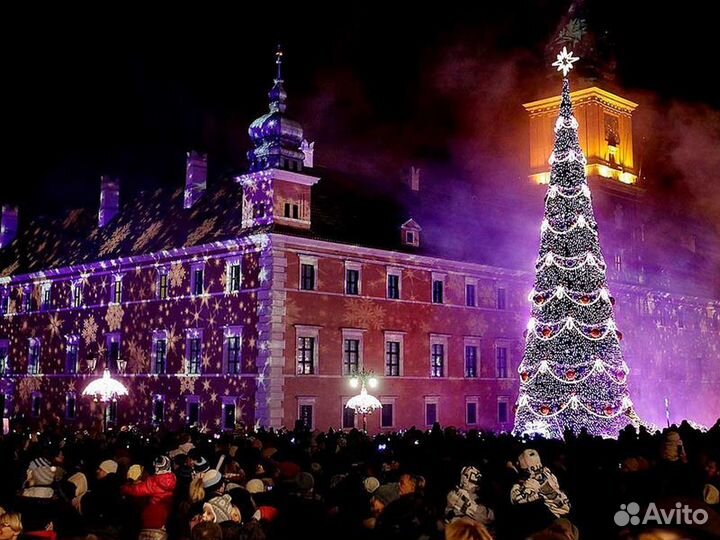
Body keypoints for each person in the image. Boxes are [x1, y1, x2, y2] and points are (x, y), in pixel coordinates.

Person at [122, 455, 177, 539]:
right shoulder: (173, 478)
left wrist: (125, 488)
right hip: (168, 509)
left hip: (154, 511)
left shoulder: (153, 481)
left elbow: (137, 490)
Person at [510, 449, 570, 519]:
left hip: (554, 516)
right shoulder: (548, 472)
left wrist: (513, 474)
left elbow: (515, 499)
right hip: (565, 507)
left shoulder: (532, 483)